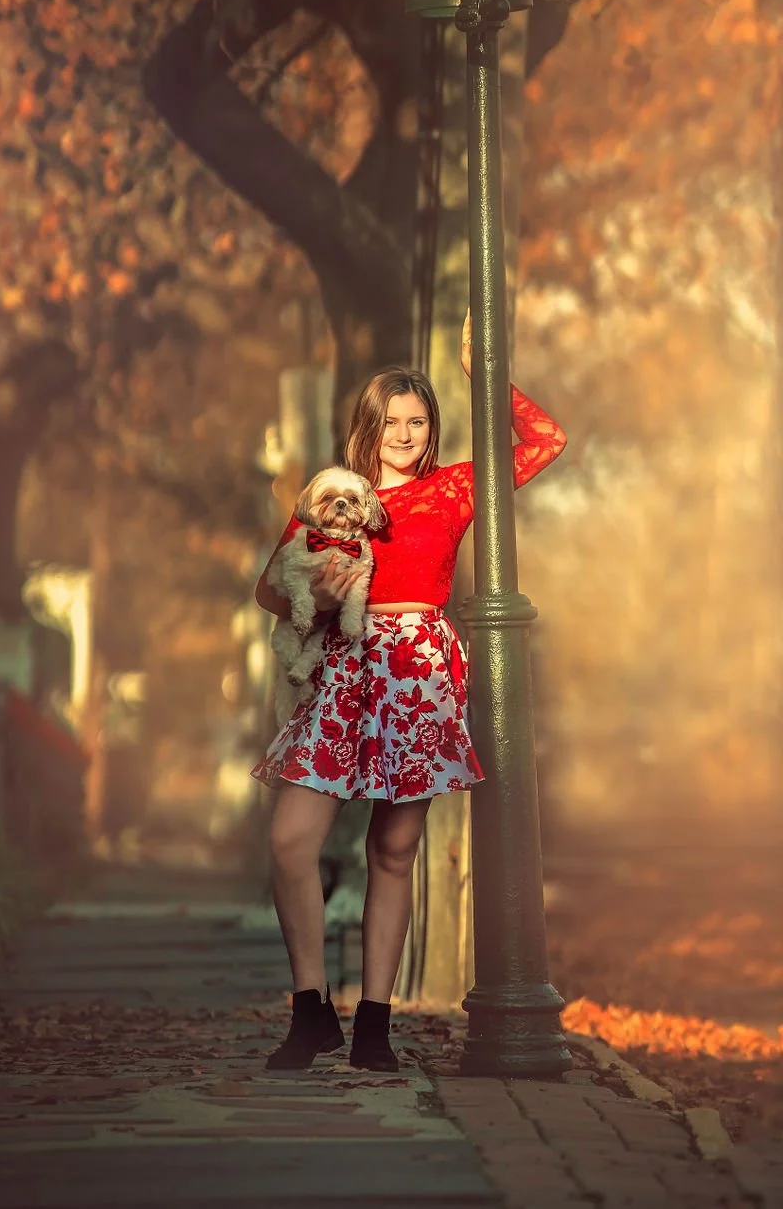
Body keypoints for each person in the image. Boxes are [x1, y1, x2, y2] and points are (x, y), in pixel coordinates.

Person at [251, 313, 566, 1073]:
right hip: (344, 672)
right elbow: (270, 587)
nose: (403, 431)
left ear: (430, 430)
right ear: (370, 426)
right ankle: (310, 1010)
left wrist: (480, 370)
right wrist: (322, 596)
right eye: (390, 419)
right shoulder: (332, 495)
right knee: (291, 840)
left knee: (395, 850)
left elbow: (546, 441)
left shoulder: (454, 488)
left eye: (416, 419)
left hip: (418, 673)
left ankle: (375, 1026)